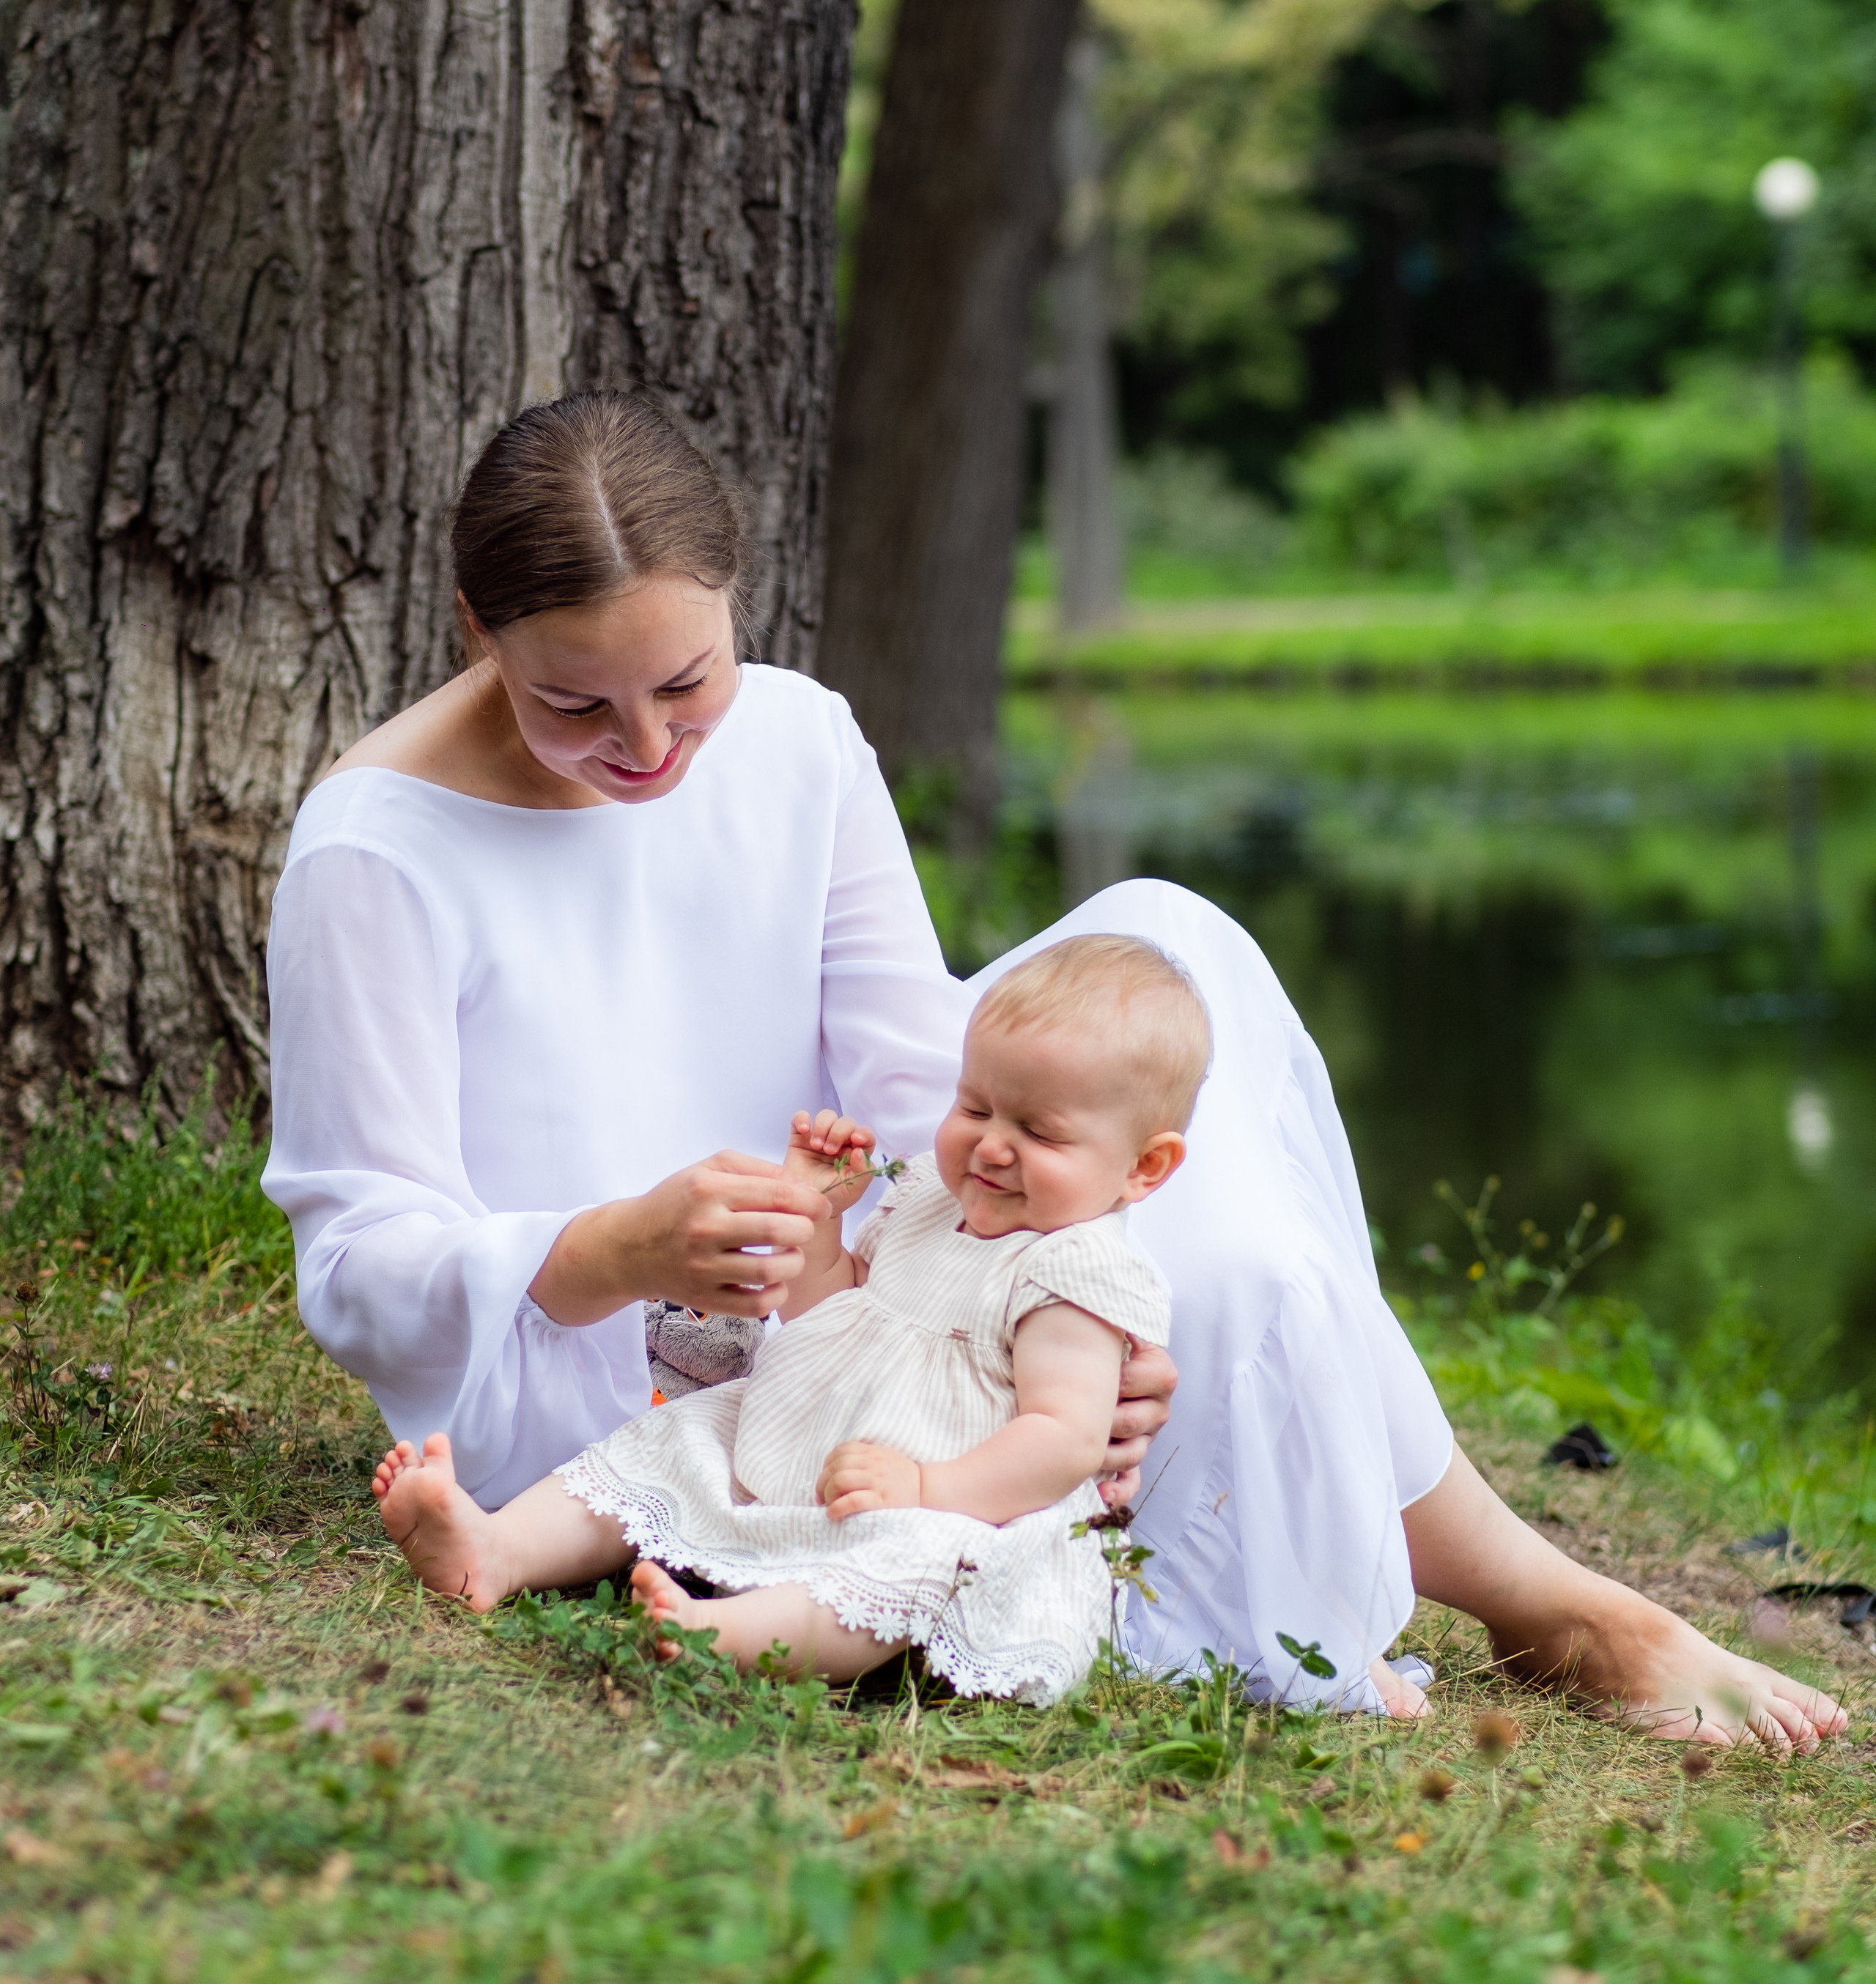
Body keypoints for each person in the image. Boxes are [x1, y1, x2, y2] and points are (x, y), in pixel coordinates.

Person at [264, 390, 1846, 1751]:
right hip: (633, 1402)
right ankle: (1543, 1605)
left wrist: (1058, 1325)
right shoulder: (376, 853)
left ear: (737, 605)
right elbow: (355, 1271)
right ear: (475, 633)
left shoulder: (796, 740)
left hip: (881, 1300)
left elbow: (915, 1085)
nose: (648, 747)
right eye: (574, 704)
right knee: (1140, 1178)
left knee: (1166, 956)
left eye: (686, 683)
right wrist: (612, 1248)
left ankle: (1520, 1596)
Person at [372, 936, 1225, 1706]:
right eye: (974, 1107)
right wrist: (818, 1219)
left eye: (1038, 1131)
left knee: (923, 1561)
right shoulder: (933, 1198)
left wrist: (928, 1490)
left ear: (1144, 1167)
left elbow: (1061, 1440)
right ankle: (498, 1550)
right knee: (675, 1439)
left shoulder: (1076, 1270)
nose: (991, 1146)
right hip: (807, 1441)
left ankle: (728, 1636)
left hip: (956, 1496)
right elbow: (832, 1310)